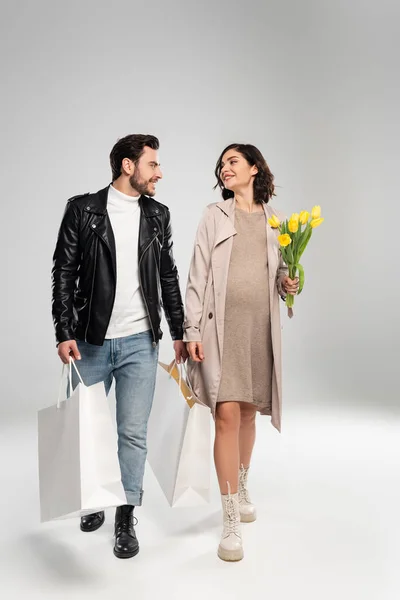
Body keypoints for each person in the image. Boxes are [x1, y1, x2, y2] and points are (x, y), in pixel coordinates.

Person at [51, 134, 188, 559]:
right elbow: (64, 271)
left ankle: (126, 513)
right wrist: (63, 331)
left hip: (139, 343)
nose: (159, 173)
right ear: (128, 166)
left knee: (132, 433)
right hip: (91, 340)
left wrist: (180, 330)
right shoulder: (83, 210)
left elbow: (167, 276)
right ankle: (92, 497)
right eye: (153, 165)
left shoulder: (158, 215)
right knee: (87, 429)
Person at [184, 143, 298, 562]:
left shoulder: (276, 222)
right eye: (222, 164)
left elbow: (285, 274)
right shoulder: (214, 216)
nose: (224, 168)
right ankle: (229, 516)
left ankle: (243, 482)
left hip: (259, 330)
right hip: (221, 331)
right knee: (225, 413)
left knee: (248, 411)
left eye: (233, 161)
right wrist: (190, 328)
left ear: (254, 169)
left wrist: (291, 285)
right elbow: (197, 274)